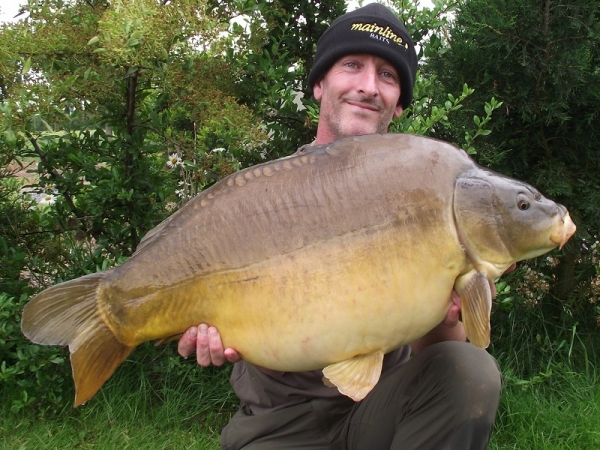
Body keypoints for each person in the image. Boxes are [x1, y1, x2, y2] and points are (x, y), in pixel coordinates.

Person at [179, 4, 502, 449]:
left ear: (400, 103)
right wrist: (201, 329)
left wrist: (450, 306)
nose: (369, 86)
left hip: (380, 407)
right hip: (280, 421)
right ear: (319, 84)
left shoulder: (421, 198)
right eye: (353, 65)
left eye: (388, 75)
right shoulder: (262, 200)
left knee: (470, 370)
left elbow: (444, 348)